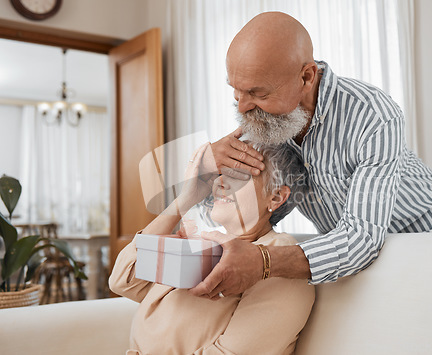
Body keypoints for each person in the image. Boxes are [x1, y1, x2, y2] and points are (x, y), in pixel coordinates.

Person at [189, 12, 432, 299]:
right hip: (347, 258)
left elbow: (361, 238)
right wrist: (204, 163)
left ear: (306, 76)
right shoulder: (265, 121)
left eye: (257, 93)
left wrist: (262, 262)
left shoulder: (374, 115)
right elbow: (225, 209)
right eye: (236, 91)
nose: (241, 108)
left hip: (420, 242)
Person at [109, 142, 315, 354]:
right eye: (221, 172)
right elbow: (124, 280)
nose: (220, 182)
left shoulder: (278, 256)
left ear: (276, 197)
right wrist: (185, 199)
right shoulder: (205, 244)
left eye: (239, 173)